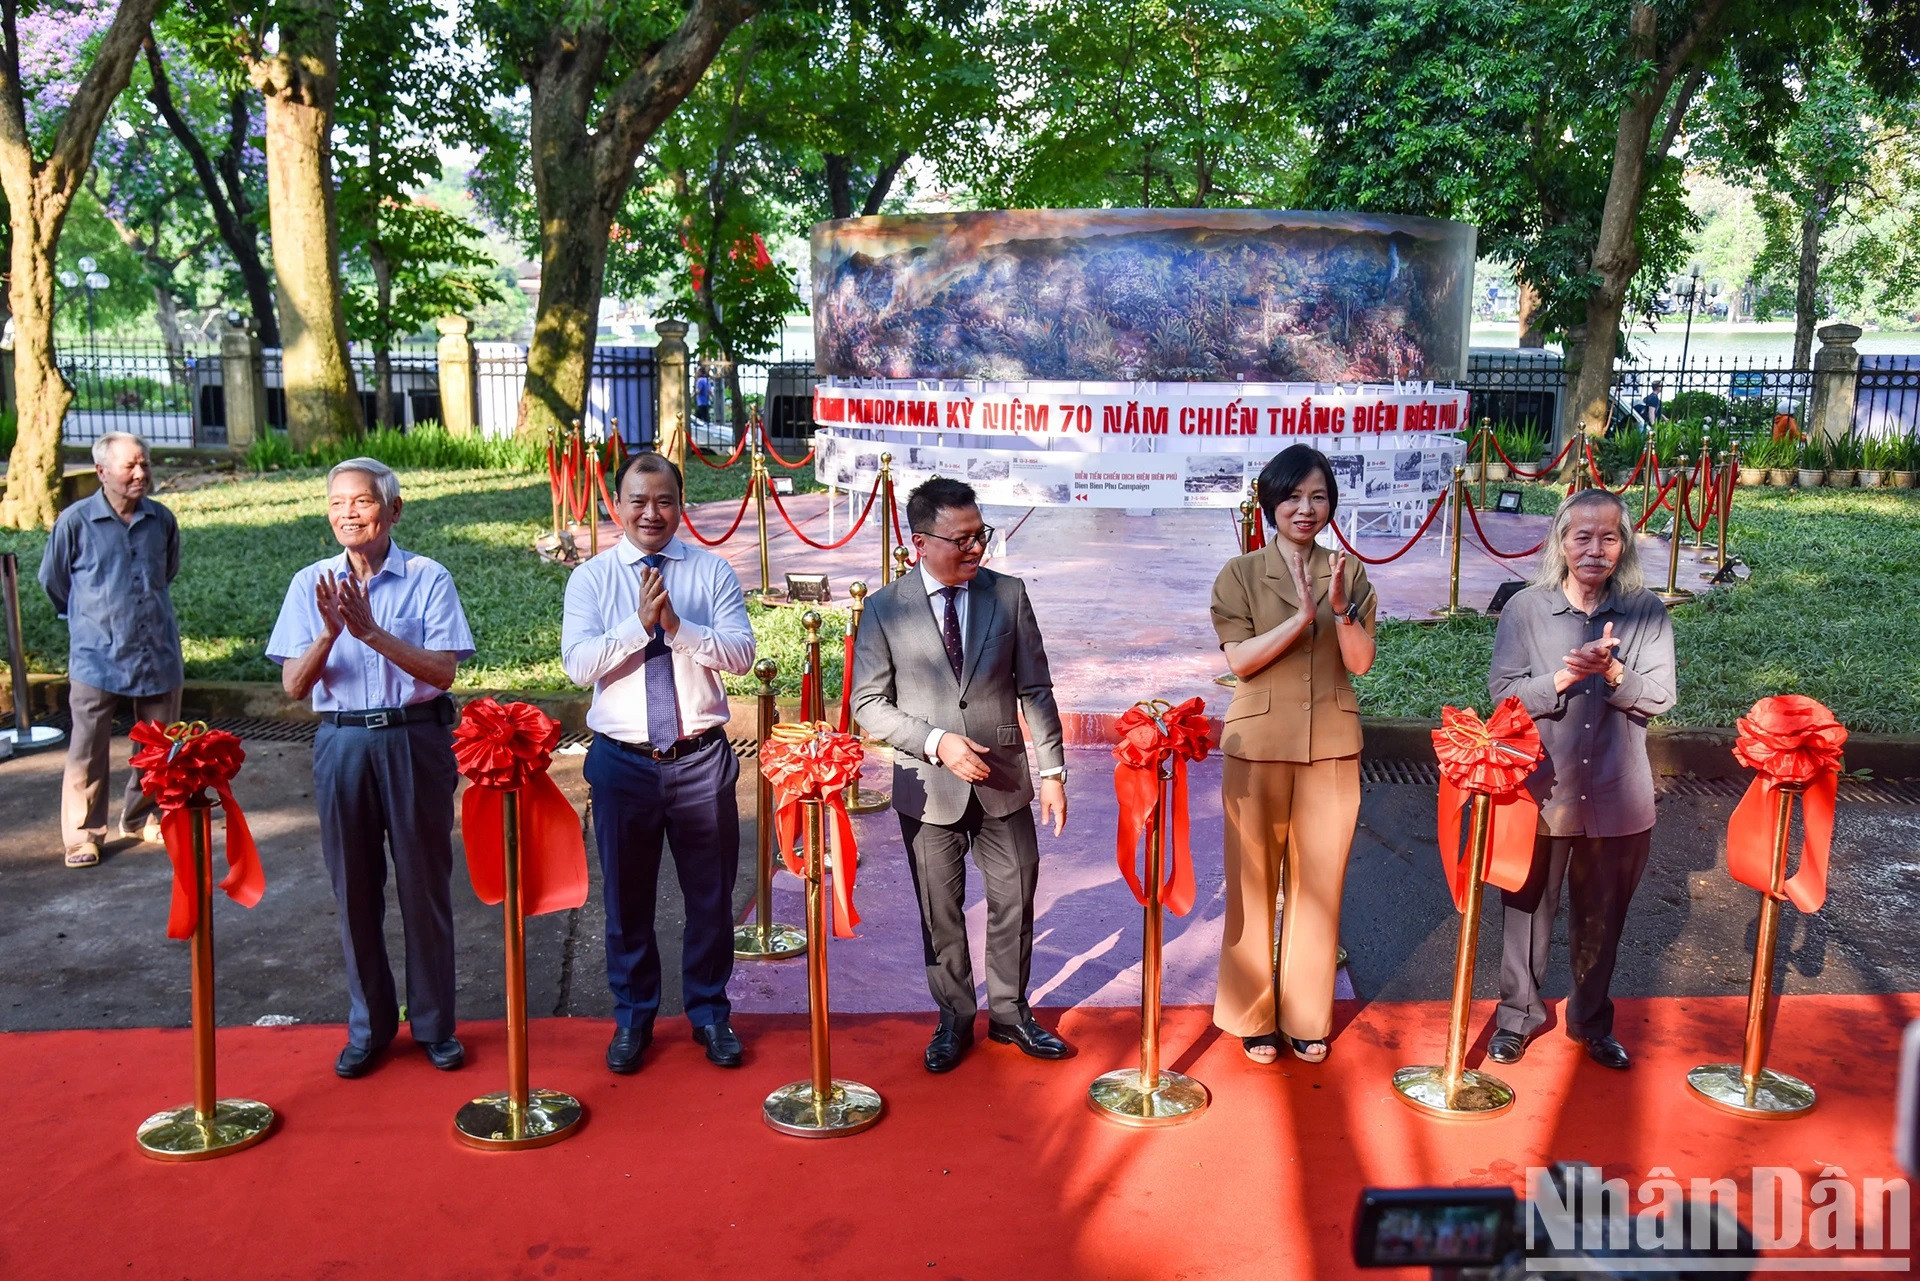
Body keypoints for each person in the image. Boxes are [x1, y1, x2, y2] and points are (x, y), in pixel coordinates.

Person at [851, 476, 1070, 1073]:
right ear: (920, 542)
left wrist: (1052, 771)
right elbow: (867, 704)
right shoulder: (884, 608)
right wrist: (935, 741)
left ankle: (1010, 1013)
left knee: (1016, 894)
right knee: (939, 909)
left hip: (1005, 779)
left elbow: (1035, 687)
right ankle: (954, 1017)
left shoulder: (1009, 595)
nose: (978, 550)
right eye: (964, 540)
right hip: (927, 789)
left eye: (983, 536)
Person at [267, 458, 475, 1079]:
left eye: (360, 502)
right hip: (343, 746)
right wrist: (331, 635)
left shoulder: (427, 578)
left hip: (414, 741)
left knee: (423, 886)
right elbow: (293, 687)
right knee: (353, 890)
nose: (347, 514)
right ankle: (370, 1026)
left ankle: (436, 1026)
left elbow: (443, 673)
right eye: (336, 504)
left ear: (393, 510)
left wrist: (372, 631)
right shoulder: (311, 582)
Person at [562, 451, 755, 1073]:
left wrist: (675, 625)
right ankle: (634, 1017)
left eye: (664, 500)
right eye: (638, 501)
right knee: (627, 899)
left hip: (700, 760)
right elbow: (578, 664)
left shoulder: (711, 572)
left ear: (681, 505)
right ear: (616, 506)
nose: (651, 512)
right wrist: (635, 626)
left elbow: (741, 654)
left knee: (709, 896)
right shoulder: (591, 579)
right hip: (623, 763)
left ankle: (709, 1013)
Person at [1486, 488, 1675, 1070]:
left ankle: (1592, 1024)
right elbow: (1503, 696)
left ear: (1624, 546)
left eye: (1609, 537)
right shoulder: (1526, 609)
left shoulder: (1645, 610)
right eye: (1582, 537)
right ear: (1561, 543)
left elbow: (1662, 696)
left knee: (1602, 916)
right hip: (1541, 791)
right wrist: (1564, 678)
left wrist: (1615, 671)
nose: (1595, 549)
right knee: (1526, 911)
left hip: (1618, 798)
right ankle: (1518, 1017)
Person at [1209, 444, 1376, 1064]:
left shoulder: (1350, 573)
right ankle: (1252, 1014)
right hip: (1257, 747)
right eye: (1293, 496)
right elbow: (1241, 661)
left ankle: (1307, 1015)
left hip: (1332, 745)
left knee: (1319, 886)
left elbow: (1360, 661)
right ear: (1270, 503)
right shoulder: (1240, 574)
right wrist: (1301, 620)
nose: (1306, 509)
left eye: (1319, 497)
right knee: (1253, 884)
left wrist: (1339, 612)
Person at [38, 432, 182, 869]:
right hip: (96, 655)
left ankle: (141, 817)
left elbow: (168, 571)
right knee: (88, 748)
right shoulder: (76, 522)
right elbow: (54, 582)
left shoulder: (161, 519)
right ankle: (83, 835)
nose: (141, 474)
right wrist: (91, 619)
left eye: (145, 465)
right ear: (102, 472)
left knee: (158, 745)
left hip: (156, 648)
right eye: (129, 467)